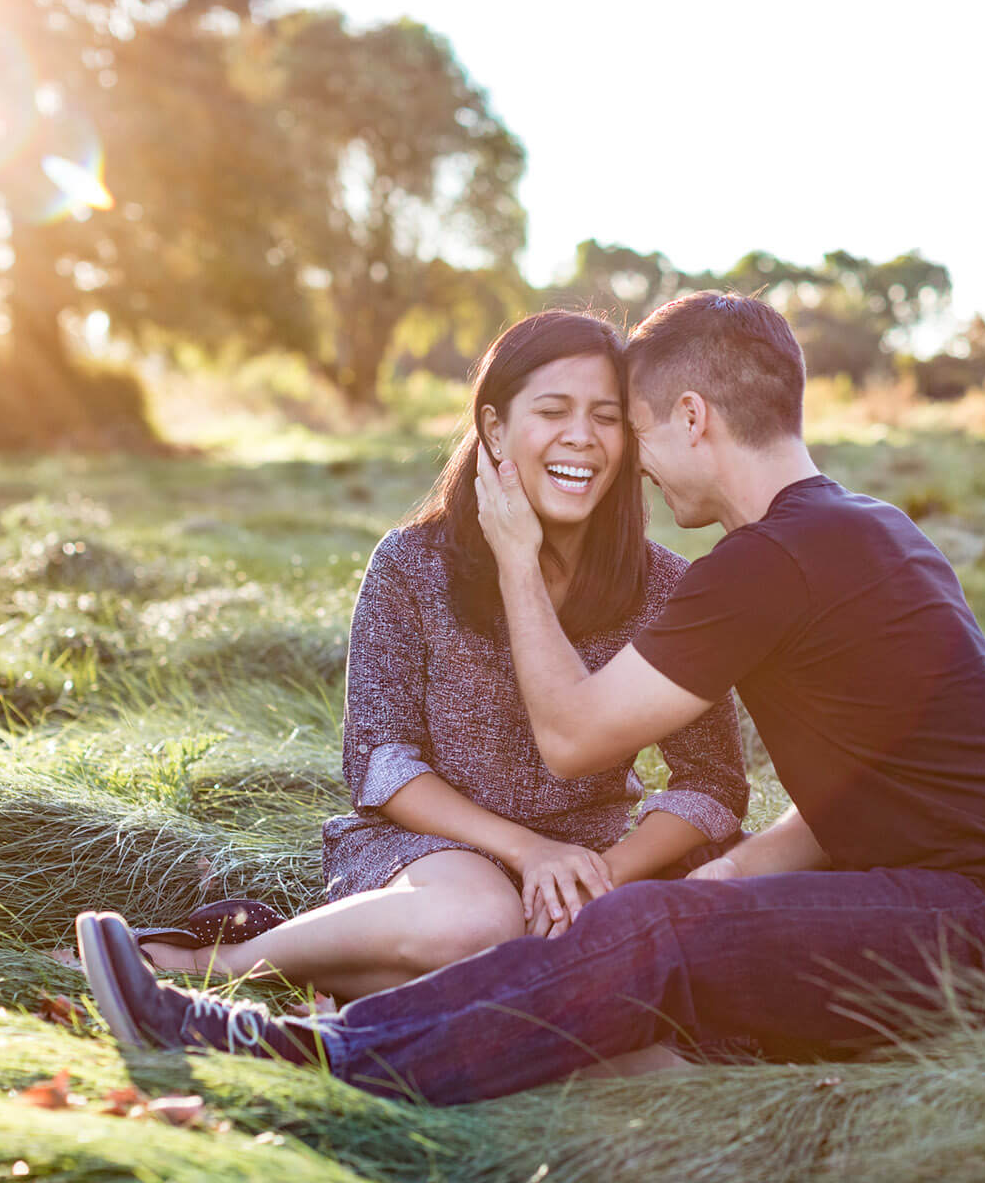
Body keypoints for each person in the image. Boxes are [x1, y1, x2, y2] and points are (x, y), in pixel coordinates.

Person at [75, 292, 985, 1106]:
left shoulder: (762, 565)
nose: (638, 466)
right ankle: (416, 1010)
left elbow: (576, 739)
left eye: (630, 424)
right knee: (665, 966)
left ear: (692, 416)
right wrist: (719, 887)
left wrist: (522, 563)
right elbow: (851, 795)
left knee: (660, 936)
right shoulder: (872, 529)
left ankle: (290, 1049)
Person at [133, 310, 747, 1002]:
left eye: (607, 417)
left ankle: (346, 978)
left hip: (587, 862)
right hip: (424, 851)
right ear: (493, 429)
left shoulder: (665, 586)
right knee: (481, 922)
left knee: (619, 956)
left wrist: (599, 871)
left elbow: (713, 783)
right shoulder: (410, 564)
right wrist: (528, 851)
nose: (582, 436)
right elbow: (379, 759)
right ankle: (207, 964)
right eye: (552, 410)